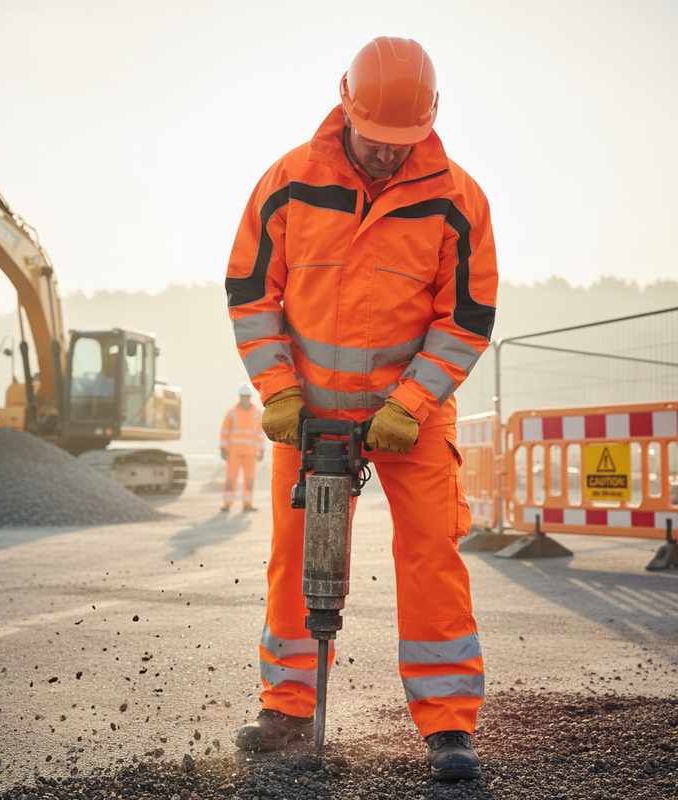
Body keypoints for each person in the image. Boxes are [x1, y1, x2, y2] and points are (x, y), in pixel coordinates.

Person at [225, 36, 498, 781]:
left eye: (400, 144)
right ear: (347, 107)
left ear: (429, 123)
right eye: (376, 141)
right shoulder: (288, 182)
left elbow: (466, 317)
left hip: (409, 417)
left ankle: (447, 726)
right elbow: (253, 295)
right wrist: (278, 390)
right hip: (306, 412)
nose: (386, 157)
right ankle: (286, 709)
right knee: (294, 562)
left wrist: (410, 402)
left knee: (431, 554)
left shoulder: (456, 199)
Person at [219, 382, 266, 512]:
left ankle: (247, 504)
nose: (245, 398)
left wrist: (262, 449)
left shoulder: (257, 413)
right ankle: (227, 504)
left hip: (251, 453)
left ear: (250, 397)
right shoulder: (232, 412)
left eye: (247, 396)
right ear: (240, 396)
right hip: (233, 452)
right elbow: (225, 431)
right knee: (230, 478)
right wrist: (223, 448)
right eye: (243, 396)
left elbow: (260, 432)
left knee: (249, 479)